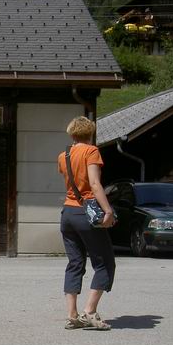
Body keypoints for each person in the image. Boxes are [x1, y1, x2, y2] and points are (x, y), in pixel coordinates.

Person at [57, 116, 116, 330]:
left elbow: (70, 181)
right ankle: (90, 311)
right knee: (104, 263)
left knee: (75, 263)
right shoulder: (91, 151)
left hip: (68, 213)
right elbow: (94, 183)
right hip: (86, 213)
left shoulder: (63, 156)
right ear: (90, 133)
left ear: (72, 133)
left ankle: (72, 315)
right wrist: (108, 210)